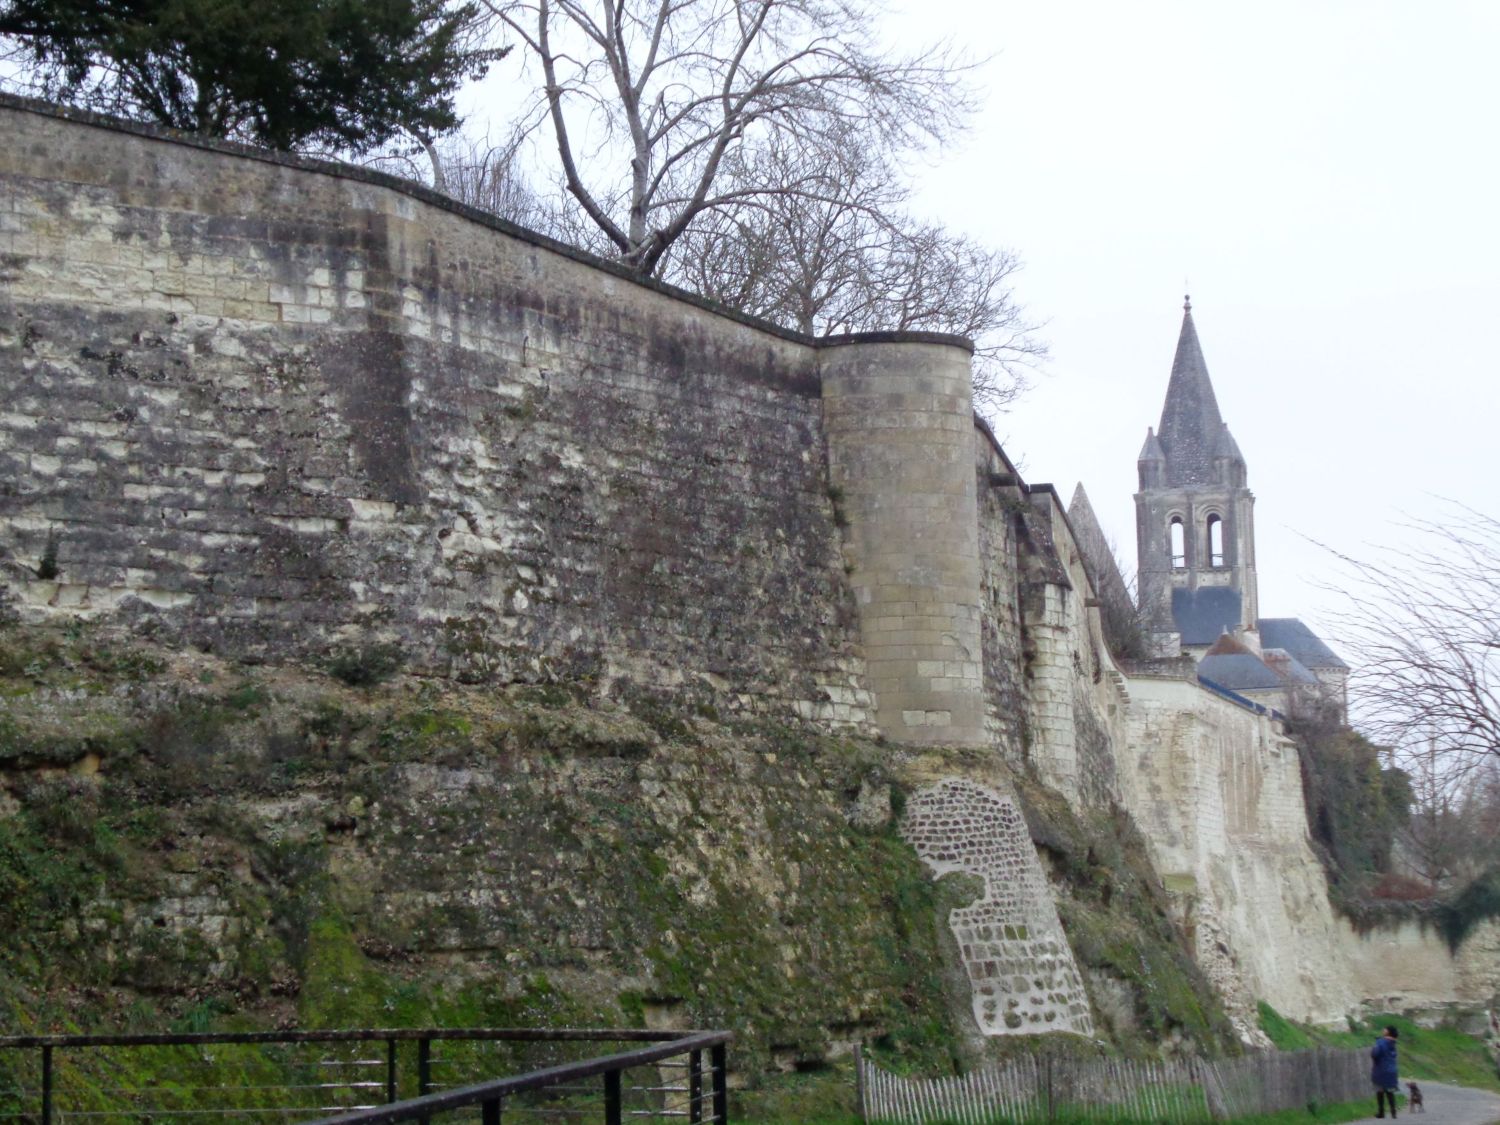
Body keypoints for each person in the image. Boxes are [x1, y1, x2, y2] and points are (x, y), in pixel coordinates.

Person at [1371, 1026, 1400, 1118]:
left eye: (1385, 1029)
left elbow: (1375, 1054)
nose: (1383, 1030)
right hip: (1392, 1070)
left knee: (1380, 1091)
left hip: (1381, 1069)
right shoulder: (1393, 1044)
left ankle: (1381, 1112)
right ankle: (1393, 1111)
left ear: (1388, 1032)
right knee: (1390, 1091)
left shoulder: (1381, 1042)